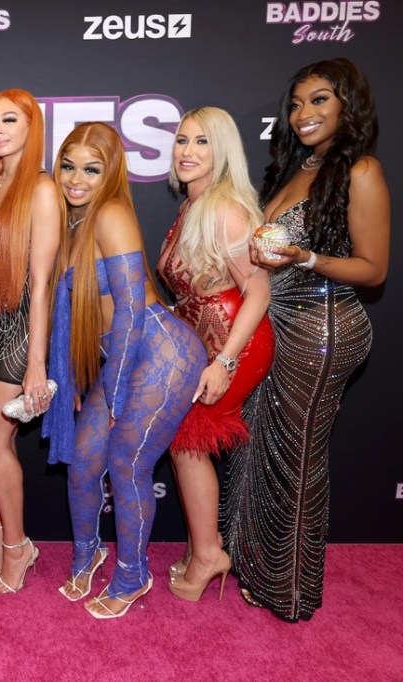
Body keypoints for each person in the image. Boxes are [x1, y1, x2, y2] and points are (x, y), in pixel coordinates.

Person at [222, 58, 389, 622]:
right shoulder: (296, 167)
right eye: (296, 104)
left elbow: (374, 269)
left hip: (323, 326)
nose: (303, 114)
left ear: (348, 104)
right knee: (256, 447)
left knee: (297, 457)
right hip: (275, 323)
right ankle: (253, 563)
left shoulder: (361, 170)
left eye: (319, 100)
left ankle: (290, 590)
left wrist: (306, 257)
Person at [44, 122, 206, 618]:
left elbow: (132, 311)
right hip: (122, 355)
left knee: (126, 463)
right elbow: (79, 316)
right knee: (83, 462)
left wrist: (113, 391)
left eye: (91, 169)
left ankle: (133, 575)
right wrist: (75, 378)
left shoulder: (111, 213)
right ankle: (87, 553)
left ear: (111, 172)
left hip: (162, 353)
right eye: (68, 166)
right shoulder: (71, 222)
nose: (77, 179)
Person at [157, 107, 274, 601]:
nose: (187, 151)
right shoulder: (193, 204)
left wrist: (224, 361)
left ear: (222, 150)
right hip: (204, 341)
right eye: (182, 140)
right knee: (184, 444)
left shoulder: (226, 209)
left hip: (235, 343)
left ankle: (209, 555)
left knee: (187, 443)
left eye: (202, 142)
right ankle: (201, 548)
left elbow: (259, 291)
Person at [0, 89, 59, 594]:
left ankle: (20, 547)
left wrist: (36, 363)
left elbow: (41, 283)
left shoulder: (41, 188)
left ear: (31, 126)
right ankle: (4, 540)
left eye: (9, 120)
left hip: (20, 331)